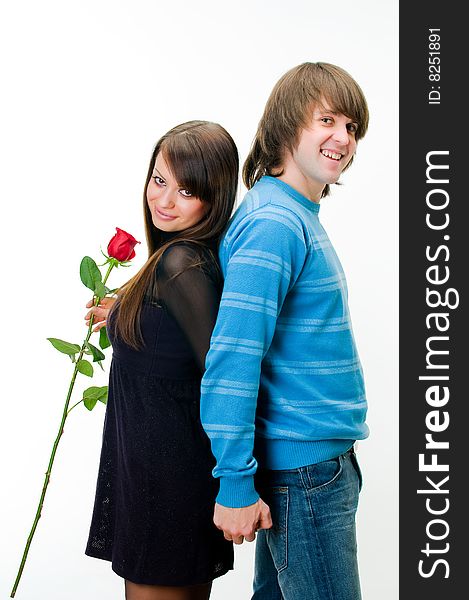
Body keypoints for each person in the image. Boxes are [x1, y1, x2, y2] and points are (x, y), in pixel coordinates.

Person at [200, 62, 370, 599]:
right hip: (306, 474)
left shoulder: (293, 214)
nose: (342, 138)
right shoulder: (276, 223)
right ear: (286, 124)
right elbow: (233, 357)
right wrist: (233, 482)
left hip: (316, 467)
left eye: (351, 127)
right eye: (327, 120)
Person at [84, 121, 239, 600]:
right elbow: (176, 346)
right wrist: (121, 313)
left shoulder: (181, 265)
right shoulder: (175, 262)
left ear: (214, 198)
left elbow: (224, 374)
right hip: (157, 480)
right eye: (159, 180)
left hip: (168, 489)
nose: (165, 201)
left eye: (187, 190)